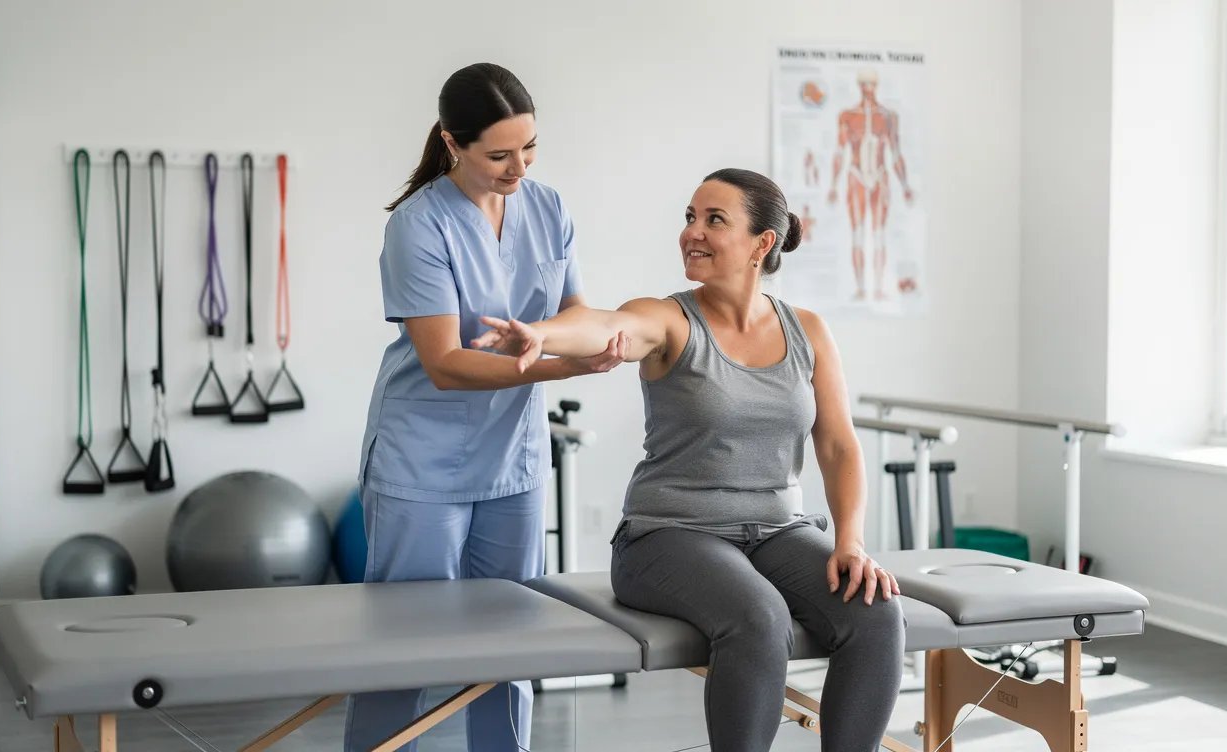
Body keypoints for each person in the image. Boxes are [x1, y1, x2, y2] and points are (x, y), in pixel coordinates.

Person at [473, 168, 906, 752]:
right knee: (759, 618)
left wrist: (849, 541)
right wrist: (542, 335)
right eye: (689, 217)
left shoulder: (808, 330)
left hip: (778, 531)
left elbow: (838, 445)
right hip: (667, 537)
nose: (691, 233)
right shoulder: (670, 319)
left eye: (714, 220)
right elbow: (606, 323)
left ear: (762, 244)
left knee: (875, 613)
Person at [349, 62, 628, 752]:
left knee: (513, 645)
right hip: (423, 458)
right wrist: (564, 363)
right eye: (499, 154)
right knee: (406, 647)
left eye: (529, 147)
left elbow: (573, 311)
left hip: (516, 459)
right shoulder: (418, 226)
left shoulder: (549, 207)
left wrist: (574, 341)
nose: (518, 167)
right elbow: (444, 363)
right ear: (453, 142)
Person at [827, 68, 915, 302]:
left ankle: (877, 288)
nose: (867, 89)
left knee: (878, 233)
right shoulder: (847, 116)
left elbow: (895, 153)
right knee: (857, 232)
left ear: (876, 86)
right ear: (859, 86)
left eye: (871, 84)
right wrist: (833, 185)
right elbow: (839, 152)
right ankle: (860, 288)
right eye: (863, 84)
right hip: (856, 175)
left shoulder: (887, 116)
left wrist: (905, 185)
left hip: (879, 176)